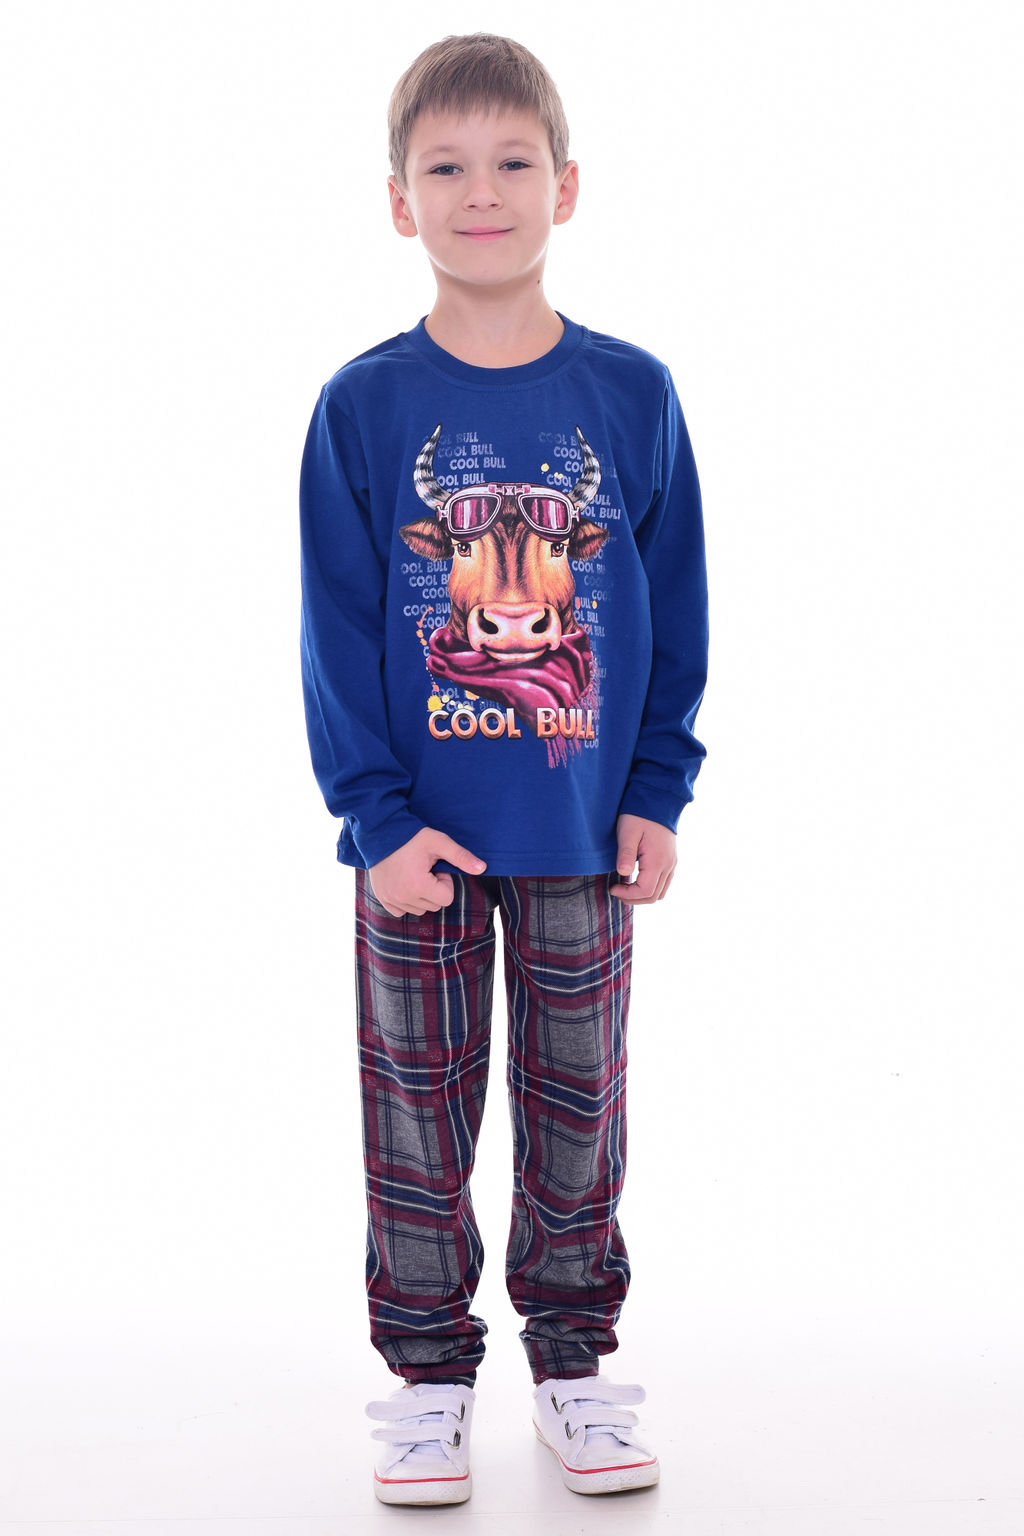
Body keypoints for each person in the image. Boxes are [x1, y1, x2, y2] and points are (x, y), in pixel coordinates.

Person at [299, 31, 709, 1507]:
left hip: (583, 828)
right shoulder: (362, 407)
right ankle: (425, 1382)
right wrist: (374, 816)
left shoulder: (633, 394)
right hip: (418, 841)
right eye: (447, 167)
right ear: (399, 201)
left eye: (514, 162)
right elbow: (338, 625)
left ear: (567, 187)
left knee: (579, 1103)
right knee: (416, 1111)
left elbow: (677, 605)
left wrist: (656, 785)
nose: (484, 192)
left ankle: (574, 1365)